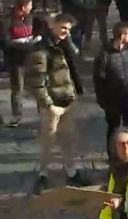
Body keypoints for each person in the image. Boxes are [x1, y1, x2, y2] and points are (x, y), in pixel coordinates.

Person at [25, 12, 90, 194]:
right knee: (48, 141)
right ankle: (42, 175)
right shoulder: (41, 49)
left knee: (68, 139)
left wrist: (68, 42)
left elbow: (77, 59)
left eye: (69, 29)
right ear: (52, 25)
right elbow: (35, 80)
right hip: (52, 104)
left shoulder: (65, 45)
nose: (66, 32)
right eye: (63, 27)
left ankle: (71, 171)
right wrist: (48, 104)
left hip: (68, 99)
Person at [93, 22, 128, 150]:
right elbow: (98, 80)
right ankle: (113, 155)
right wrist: (103, 101)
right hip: (113, 100)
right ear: (122, 36)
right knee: (113, 129)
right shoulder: (105, 55)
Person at [3, 0, 38, 127]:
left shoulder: (30, 18)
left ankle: (44, 113)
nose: (31, 8)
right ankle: (17, 115)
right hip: (16, 59)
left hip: (32, 57)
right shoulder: (7, 21)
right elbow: (6, 42)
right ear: (23, 7)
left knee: (39, 85)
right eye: (30, 5)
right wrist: (26, 45)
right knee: (18, 88)